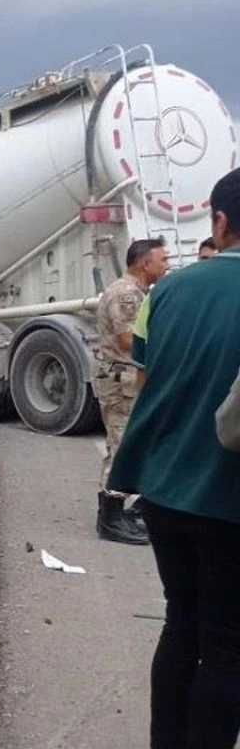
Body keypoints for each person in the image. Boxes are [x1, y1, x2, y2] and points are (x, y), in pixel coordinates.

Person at [107, 168, 240, 748]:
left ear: (220, 222)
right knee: (229, 646)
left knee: (181, 625)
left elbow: (145, 368)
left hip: (162, 489)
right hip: (229, 499)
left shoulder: (167, 292)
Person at [92, 237, 168, 545]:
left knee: (129, 445)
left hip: (129, 379)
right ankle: (109, 518)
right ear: (143, 263)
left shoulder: (137, 292)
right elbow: (128, 341)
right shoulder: (126, 294)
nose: (167, 265)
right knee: (121, 447)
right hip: (121, 381)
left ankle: (121, 513)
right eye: (163, 259)